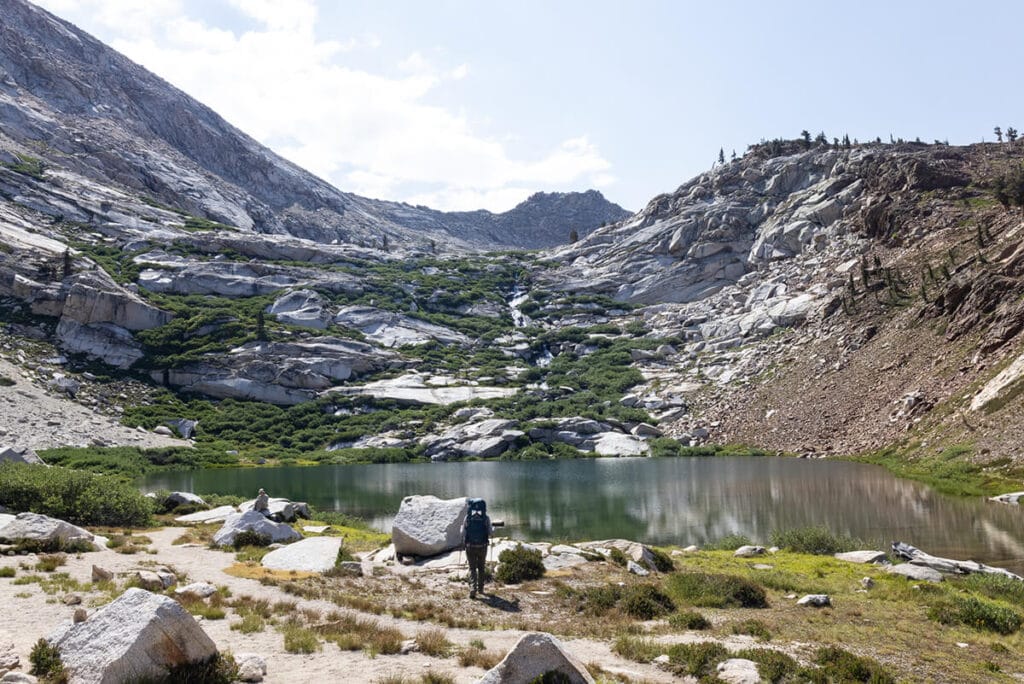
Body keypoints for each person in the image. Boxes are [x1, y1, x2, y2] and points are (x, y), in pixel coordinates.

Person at [462, 498, 492, 599]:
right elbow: (490, 533)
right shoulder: (486, 518)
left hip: (470, 547)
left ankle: (473, 588)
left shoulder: (468, 518)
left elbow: (463, 533)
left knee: (472, 568)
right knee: (481, 568)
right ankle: (481, 589)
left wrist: (464, 543)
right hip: (482, 547)